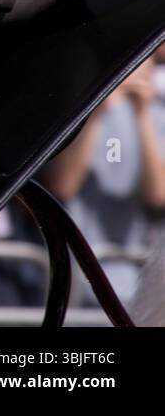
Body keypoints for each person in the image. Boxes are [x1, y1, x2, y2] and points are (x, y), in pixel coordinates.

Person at [44, 47, 165, 312]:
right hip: (73, 276)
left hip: (133, 280)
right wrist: (97, 103)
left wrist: (141, 112)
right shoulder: (77, 111)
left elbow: (158, 195)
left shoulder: (155, 108)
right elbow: (62, 185)